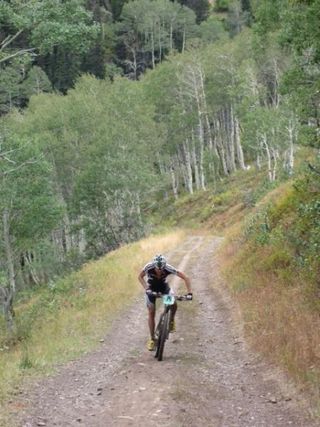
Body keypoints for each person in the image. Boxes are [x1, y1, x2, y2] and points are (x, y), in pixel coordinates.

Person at [138, 254, 192, 351]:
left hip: (164, 289)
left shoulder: (168, 268)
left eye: (161, 269)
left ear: (164, 266)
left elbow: (185, 277)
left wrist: (189, 293)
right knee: (151, 312)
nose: (159, 271)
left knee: (173, 304)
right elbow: (140, 277)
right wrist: (146, 289)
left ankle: (171, 320)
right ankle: (152, 339)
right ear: (154, 266)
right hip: (151, 289)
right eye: (157, 269)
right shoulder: (148, 267)